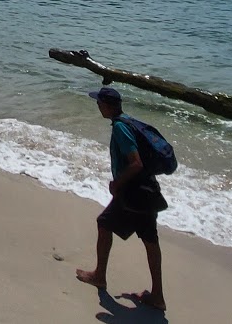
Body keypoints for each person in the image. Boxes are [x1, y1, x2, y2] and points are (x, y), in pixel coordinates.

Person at [75, 86, 166, 311]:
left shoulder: (120, 128)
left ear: (107, 106)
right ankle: (158, 296)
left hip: (134, 191)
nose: (97, 106)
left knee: (104, 223)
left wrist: (117, 183)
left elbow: (135, 163)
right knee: (150, 239)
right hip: (148, 191)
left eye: (99, 103)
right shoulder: (129, 122)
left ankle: (99, 275)